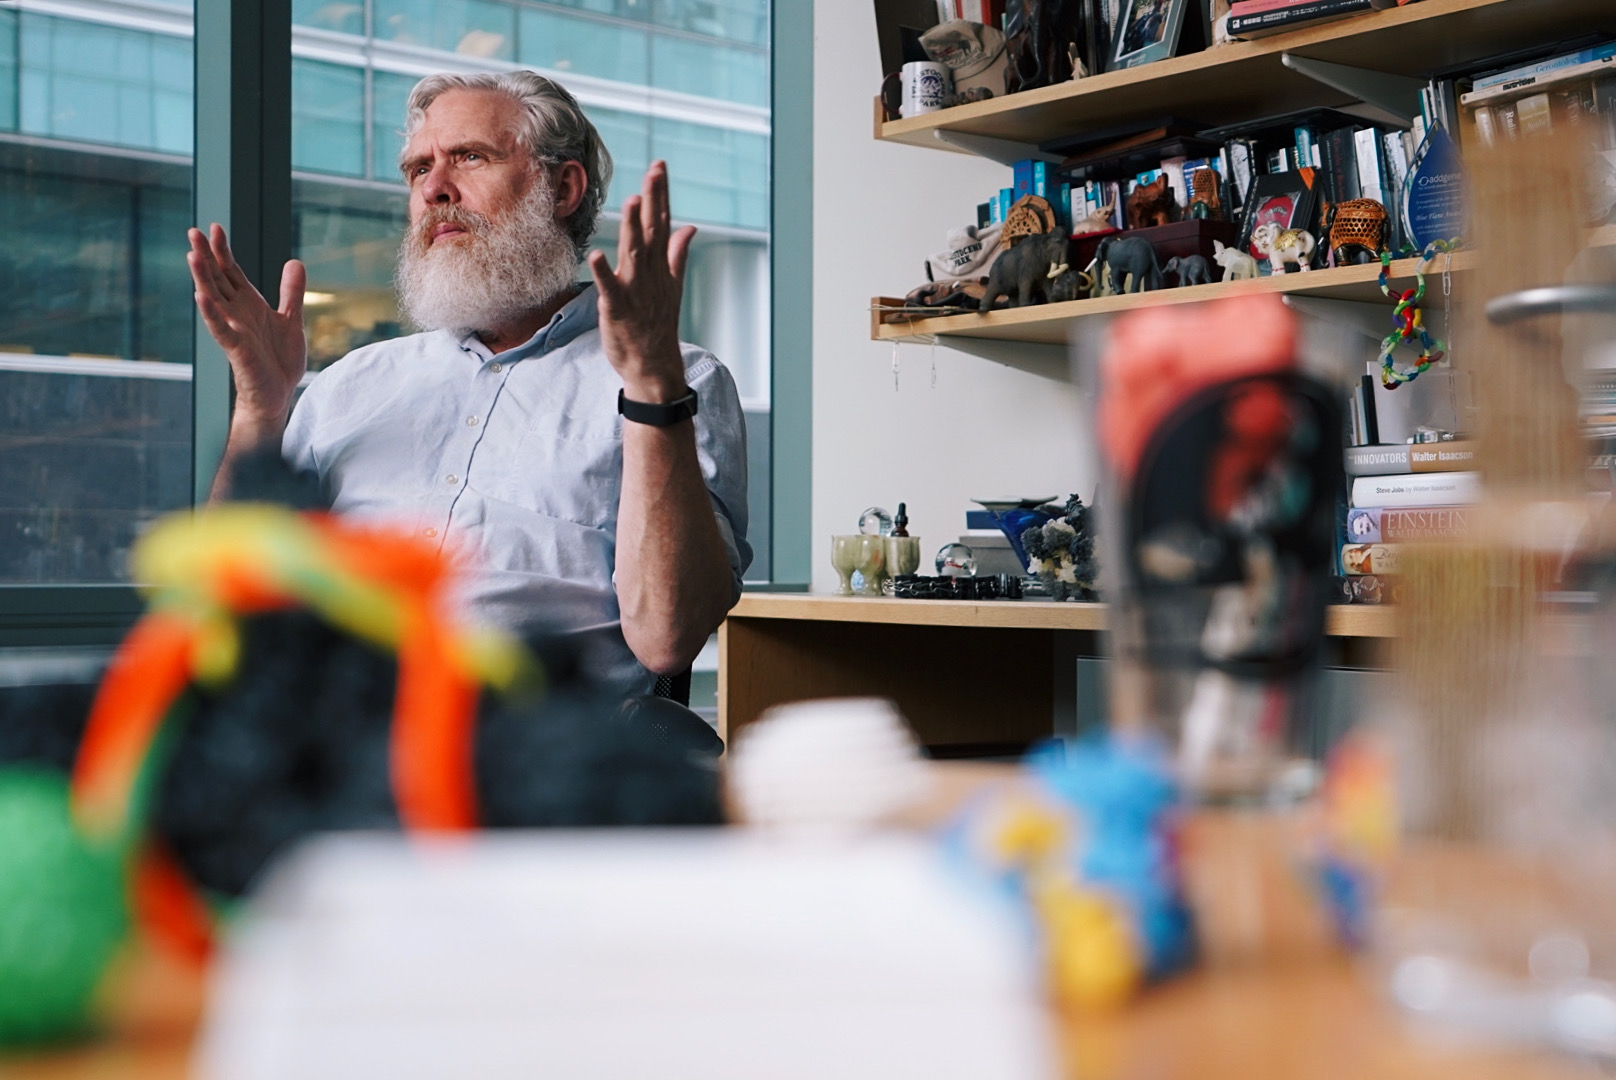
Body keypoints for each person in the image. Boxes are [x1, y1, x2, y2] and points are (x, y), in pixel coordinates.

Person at [185, 71, 750, 698]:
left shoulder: (675, 377)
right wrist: (260, 411)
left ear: (561, 187)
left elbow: (668, 637)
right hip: (335, 753)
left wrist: (651, 389)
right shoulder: (349, 384)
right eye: (417, 169)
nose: (433, 190)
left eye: (470, 158)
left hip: (539, 760)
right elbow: (225, 607)